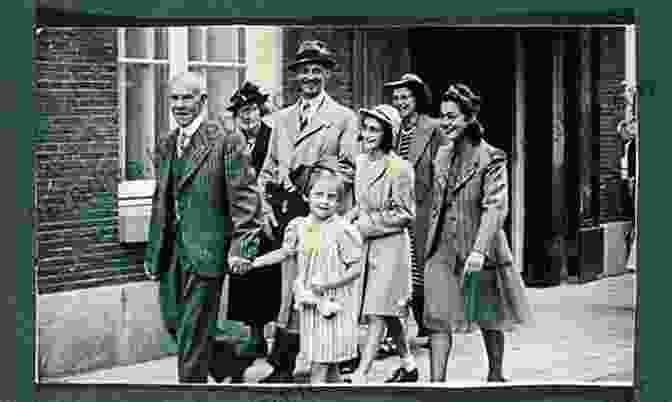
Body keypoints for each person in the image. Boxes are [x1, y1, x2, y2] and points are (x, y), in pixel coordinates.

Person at [143, 71, 263, 383]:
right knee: (175, 322)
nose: (180, 105)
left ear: (203, 101)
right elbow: (162, 200)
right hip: (171, 253)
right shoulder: (166, 144)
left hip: (207, 251)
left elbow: (245, 200)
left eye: (187, 97)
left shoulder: (226, 140)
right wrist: (153, 249)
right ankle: (231, 360)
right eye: (174, 98)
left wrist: (242, 247)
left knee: (192, 335)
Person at [257, 39, 360, 383]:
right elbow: (268, 168)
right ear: (296, 76)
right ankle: (283, 366)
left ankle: (333, 361)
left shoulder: (343, 118)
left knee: (322, 288)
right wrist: (264, 205)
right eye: (304, 70)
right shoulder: (282, 119)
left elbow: (348, 168)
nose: (310, 76)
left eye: (317, 69)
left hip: (323, 214)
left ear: (327, 74)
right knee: (289, 290)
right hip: (287, 215)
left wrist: (314, 180)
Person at [423, 83, 533, 383]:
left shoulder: (492, 157)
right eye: (443, 116)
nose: (446, 123)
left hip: (478, 246)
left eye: (452, 117)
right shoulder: (442, 154)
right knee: (438, 318)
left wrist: (479, 250)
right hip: (443, 246)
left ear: (469, 118)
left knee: (490, 315)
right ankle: (436, 385)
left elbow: (495, 207)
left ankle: (496, 377)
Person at [251, 167, 364, 383]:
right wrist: (255, 263)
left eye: (332, 197)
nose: (324, 201)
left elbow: (356, 269)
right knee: (330, 371)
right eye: (318, 195)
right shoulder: (299, 227)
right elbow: (285, 252)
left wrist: (330, 283)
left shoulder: (343, 230)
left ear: (339, 202)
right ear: (306, 196)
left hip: (334, 306)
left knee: (320, 368)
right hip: (311, 306)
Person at [208, 81, 280, 383]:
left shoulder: (274, 136)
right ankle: (253, 335)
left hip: (272, 216)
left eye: (251, 110)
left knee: (270, 276)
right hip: (244, 218)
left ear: (260, 110)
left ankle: (272, 336)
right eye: (242, 112)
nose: (248, 116)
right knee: (246, 274)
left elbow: (280, 170)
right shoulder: (233, 140)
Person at [345, 104, 418, 384]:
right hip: (366, 247)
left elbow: (405, 214)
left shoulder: (400, 169)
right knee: (387, 312)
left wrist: (362, 226)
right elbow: (360, 206)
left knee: (377, 310)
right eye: (365, 128)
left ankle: (362, 373)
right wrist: (342, 224)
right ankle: (409, 365)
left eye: (375, 129)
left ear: (389, 134)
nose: (367, 134)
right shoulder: (362, 163)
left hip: (391, 248)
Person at [376, 73, 441, 355]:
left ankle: (430, 324)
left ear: (417, 99)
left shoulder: (433, 128)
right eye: (396, 99)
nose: (400, 103)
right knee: (399, 269)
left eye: (405, 97)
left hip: (425, 208)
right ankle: (403, 329)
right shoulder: (393, 128)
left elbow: (444, 171)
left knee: (422, 269)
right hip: (397, 209)